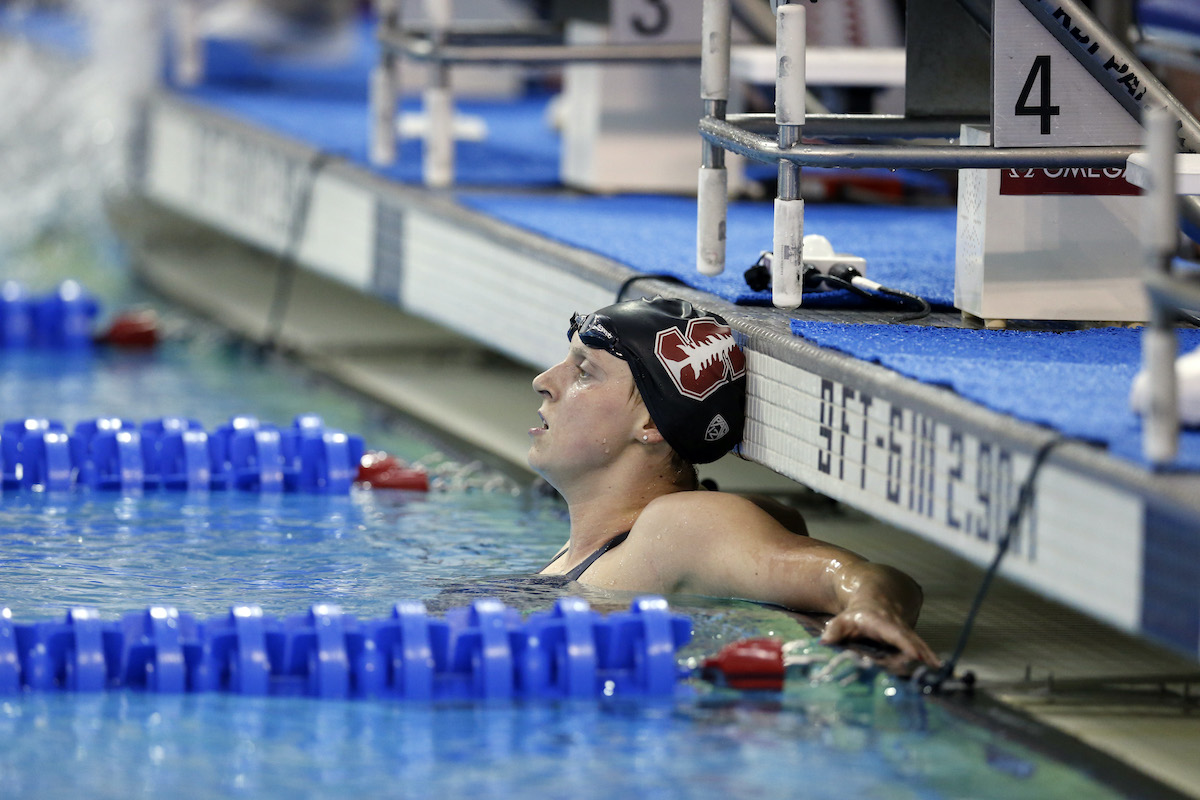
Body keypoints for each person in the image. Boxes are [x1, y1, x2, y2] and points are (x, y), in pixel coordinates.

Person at [531, 296, 938, 667]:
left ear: (651, 422)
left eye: (584, 371)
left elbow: (858, 576)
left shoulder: (678, 527)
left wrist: (871, 609)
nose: (544, 381)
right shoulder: (600, 544)